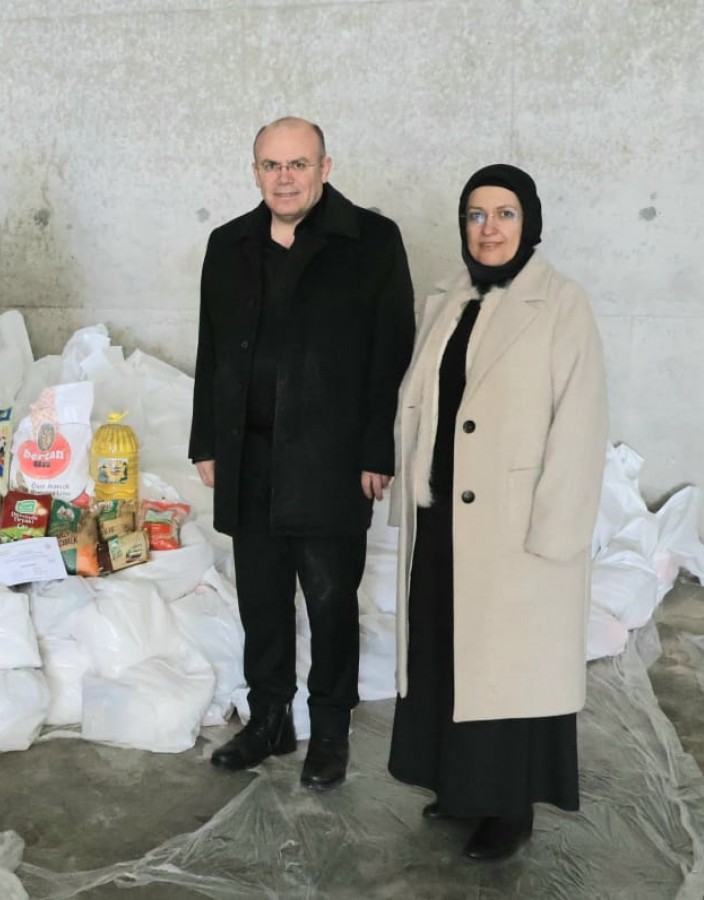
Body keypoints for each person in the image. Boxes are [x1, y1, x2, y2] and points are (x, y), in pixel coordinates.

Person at [388, 164, 607, 861]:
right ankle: (458, 784)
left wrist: (556, 530)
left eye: (504, 214)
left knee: (508, 666)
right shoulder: (451, 298)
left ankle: (508, 808)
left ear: (530, 223)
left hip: (516, 525)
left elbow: (581, 422)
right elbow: (424, 403)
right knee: (448, 652)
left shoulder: (562, 303)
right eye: (476, 215)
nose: (489, 229)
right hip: (447, 512)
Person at [189, 117, 415, 790]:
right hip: (249, 454)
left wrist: (378, 448)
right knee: (260, 598)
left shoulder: (371, 241)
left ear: (325, 167)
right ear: (255, 171)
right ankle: (269, 721)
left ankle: (331, 732)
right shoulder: (229, 244)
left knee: (328, 598)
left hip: (331, 456)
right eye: (271, 166)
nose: (284, 178)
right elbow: (211, 349)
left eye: (298, 164)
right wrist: (206, 439)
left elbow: (391, 352)